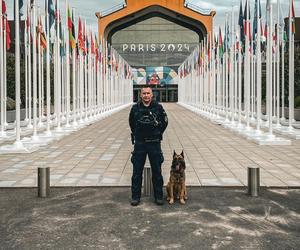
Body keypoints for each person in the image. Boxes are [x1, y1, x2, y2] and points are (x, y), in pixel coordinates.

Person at [129, 87, 168, 206]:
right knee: (137, 171)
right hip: (140, 143)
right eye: (144, 93)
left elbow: (165, 122)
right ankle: (135, 197)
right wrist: (137, 134)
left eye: (148, 93)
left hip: (154, 143)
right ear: (141, 95)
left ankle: (159, 196)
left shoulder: (158, 107)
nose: (146, 95)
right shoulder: (135, 108)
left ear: (152, 95)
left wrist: (157, 133)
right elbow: (131, 123)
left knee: (157, 171)